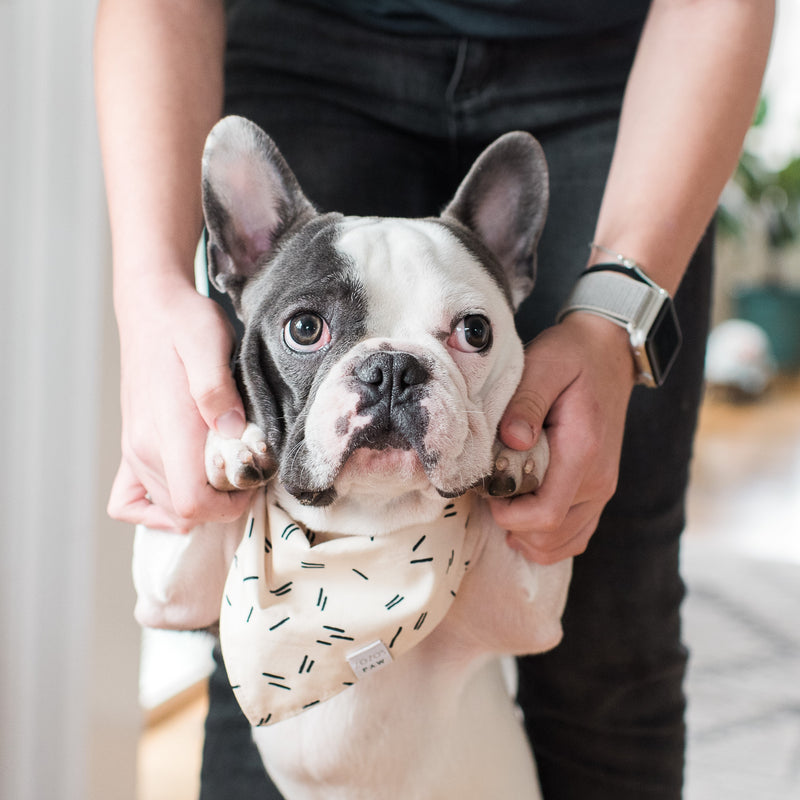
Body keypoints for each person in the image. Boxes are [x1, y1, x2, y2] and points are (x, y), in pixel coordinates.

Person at [94, 1, 773, 797]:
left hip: (615, 73)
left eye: (468, 335)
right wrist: (146, 292)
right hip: (304, 42)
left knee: (609, 602)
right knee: (264, 581)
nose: (388, 380)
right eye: (311, 326)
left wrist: (611, 325)